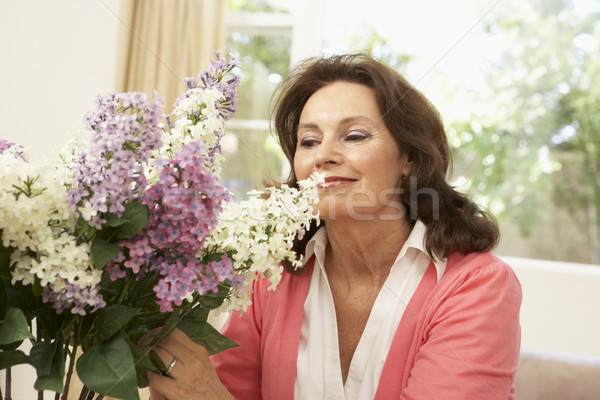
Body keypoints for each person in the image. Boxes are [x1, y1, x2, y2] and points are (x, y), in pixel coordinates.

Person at [147, 53, 522, 400]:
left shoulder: (478, 287)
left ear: (408, 156)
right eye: (308, 141)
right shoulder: (270, 276)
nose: (323, 155)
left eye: (355, 135)